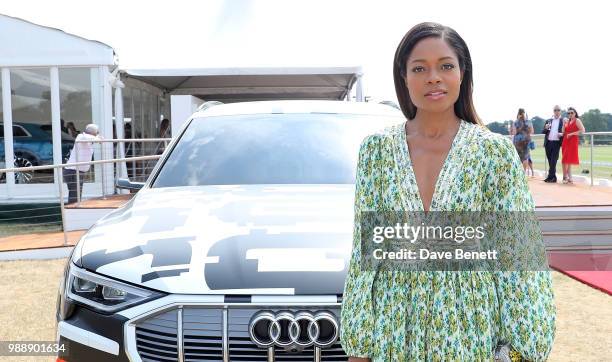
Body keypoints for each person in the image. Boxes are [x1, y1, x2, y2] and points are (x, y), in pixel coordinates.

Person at [340, 22, 555, 361]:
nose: (433, 77)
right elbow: (365, 254)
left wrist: (523, 348)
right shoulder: (376, 151)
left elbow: (518, 254)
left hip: (471, 327)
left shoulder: (494, 153)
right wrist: (359, 342)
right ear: (404, 77)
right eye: (419, 68)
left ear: (462, 73)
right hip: (394, 326)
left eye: (445, 66)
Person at [64, 124, 102, 204]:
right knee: (75, 195)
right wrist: (97, 138)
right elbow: (88, 137)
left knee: (76, 194)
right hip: (73, 171)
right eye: (97, 132)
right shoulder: (81, 136)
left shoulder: (88, 140)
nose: (97, 134)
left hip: (77, 171)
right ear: (94, 133)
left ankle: (74, 209)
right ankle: (73, 211)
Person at [561, 107, 585, 183]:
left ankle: (565, 177)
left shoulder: (577, 120)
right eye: (569, 113)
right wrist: (563, 123)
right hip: (565, 141)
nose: (570, 114)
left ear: (575, 113)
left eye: (572, 113)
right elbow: (563, 131)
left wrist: (572, 134)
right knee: (566, 159)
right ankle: (569, 177)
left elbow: (582, 130)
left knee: (567, 159)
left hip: (572, 141)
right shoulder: (567, 121)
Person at [542, 106, 565, 182]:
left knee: (553, 161)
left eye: (558, 110)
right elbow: (543, 132)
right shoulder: (548, 120)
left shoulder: (563, 121)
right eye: (555, 110)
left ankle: (550, 177)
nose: (557, 111)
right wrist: (546, 127)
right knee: (550, 161)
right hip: (548, 143)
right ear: (553, 111)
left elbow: (566, 131)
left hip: (556, 143)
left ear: (560, 111)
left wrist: (562, 134)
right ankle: (553, 177)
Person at [510, 108, 534, 174]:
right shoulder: (529, 122)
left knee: (518, 158)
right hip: (526, 141)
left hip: (518, 142)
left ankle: (519, 173)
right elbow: (532, 131)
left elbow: (514, 132)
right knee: (525, 158)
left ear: (518, 113)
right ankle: (524, 173)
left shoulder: (516, 122)